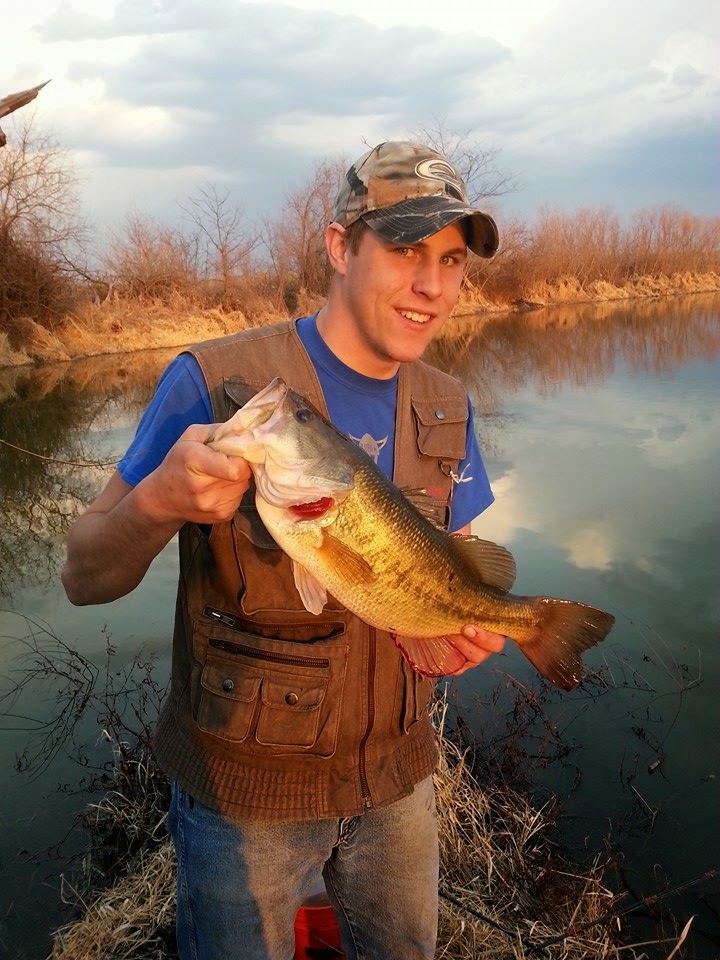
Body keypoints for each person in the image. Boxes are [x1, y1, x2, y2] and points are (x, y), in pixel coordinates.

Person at [62, 140, 506, 960]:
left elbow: (452, 565)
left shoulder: (448, 403)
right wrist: (158, 500)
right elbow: (81, 575)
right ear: (340, 247)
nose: (433, 286)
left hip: (398, 782)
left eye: (451, 260)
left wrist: (455, 632)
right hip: (246, 804)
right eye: (406, 250)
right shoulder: (215, 383)